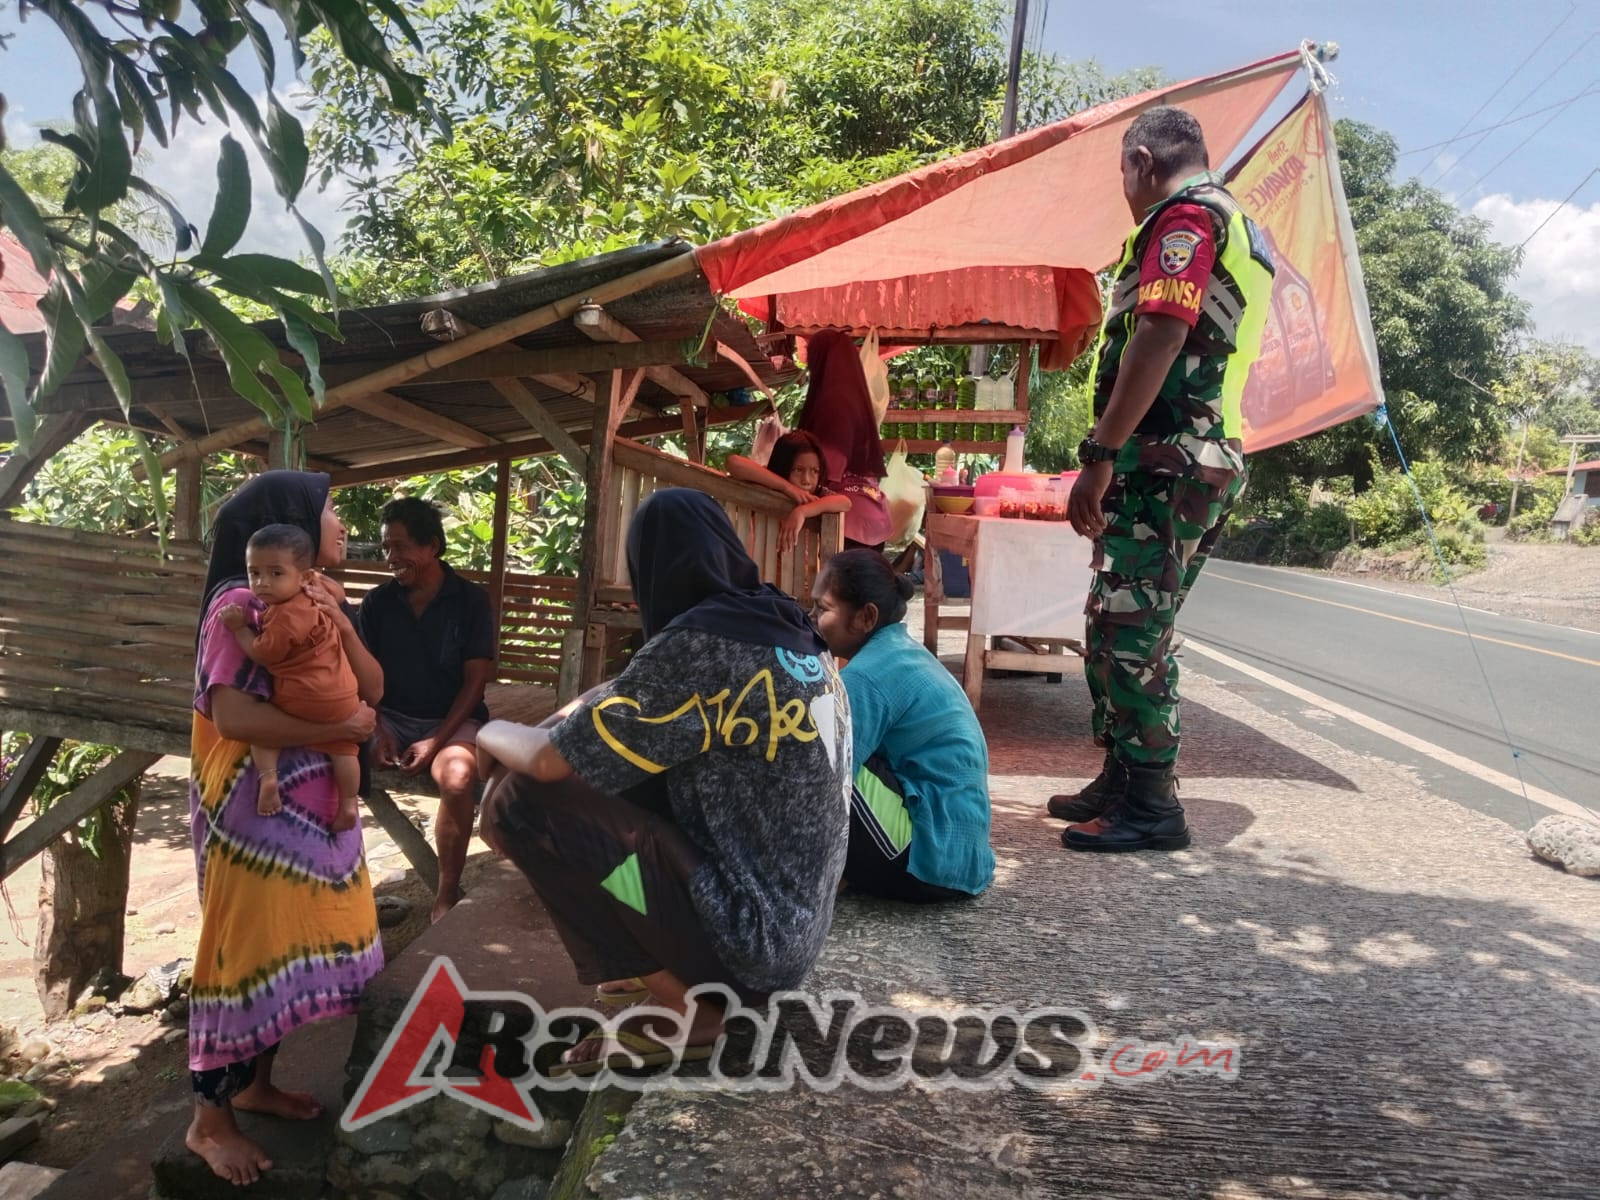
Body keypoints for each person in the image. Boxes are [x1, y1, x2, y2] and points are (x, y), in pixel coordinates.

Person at [475, 488, 852, 1074]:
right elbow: (616, 700)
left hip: (746, 945)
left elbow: (548, 762)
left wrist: (487, 731)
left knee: (520, 803)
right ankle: (653, 966)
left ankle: (695, 1008)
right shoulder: (778, 625)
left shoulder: (701, 644)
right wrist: (557, 727)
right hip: (784, 933)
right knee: (604, 773)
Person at [1054, 105, 1274, 852]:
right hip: (1175, 457)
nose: (1123, 185)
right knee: (1109, 618)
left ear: (1142, 161)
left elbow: (1162, 331)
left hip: (1171, 456)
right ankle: (1123, 775)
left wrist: (1099, 452)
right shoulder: (1216, 220)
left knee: (1133, 628)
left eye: (1122, 170)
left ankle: (1151, 801)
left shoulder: (1189, 219)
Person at [186, 471, 384, 1186]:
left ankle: (253, 1084)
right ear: (287, 522)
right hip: (253, 810)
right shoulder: (239, 606)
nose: (339, 520)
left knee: (283, 946)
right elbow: (234, 718)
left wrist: (347, 625)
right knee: (242, 955)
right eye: (329, 508)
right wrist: (339, 724)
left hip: (310, 803)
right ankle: (208, 1123)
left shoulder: (314, 600)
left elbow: (370, 686)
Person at [811, 549, 994, 901]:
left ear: (865, 617)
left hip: (930, 859)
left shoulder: (868, 675)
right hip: (960, 857)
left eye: (823, 609)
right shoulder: (899, 650)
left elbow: (823, 778)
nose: (811, 618)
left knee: (817, 758)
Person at [359, 496, 497, 924]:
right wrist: (378, 729)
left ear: (432, 547)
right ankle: (335, 889)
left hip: (453, 720)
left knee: (456, 779)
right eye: (386, 549)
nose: (391, 559)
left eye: (400, 547)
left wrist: (436, 740)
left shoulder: (470, 601)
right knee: (331, 759)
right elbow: (362, 677)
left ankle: (446, 894)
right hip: (391, 717)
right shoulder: (378, 603)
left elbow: (476, 683)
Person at [218, 523, 363, 830]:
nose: (262, 583)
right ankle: (349, 803)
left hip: (301, 698)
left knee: (263, 727)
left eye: (275, 573)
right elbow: (337, 590)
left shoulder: (285, 616)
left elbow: (262, 653)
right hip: (343, 697)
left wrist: (239, 628)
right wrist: (315, 579)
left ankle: (268, 778)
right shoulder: (316, 594)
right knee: (345, 748)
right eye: (254, 573)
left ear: (305, 576)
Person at [794, 330, 893, 552]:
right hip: (872, 512)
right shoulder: (854, 396)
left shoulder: (834, 402)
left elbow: (829, 467)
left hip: (847, 522)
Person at [725, 429, 853, 552]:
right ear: (783, 466)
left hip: (804, 571)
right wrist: (787, 487)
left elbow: (845, 502)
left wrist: (802, 512)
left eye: (815, 471)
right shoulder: (769, 483)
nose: (806, 480)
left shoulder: (815, 497)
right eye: (799, 470)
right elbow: (734, 463)